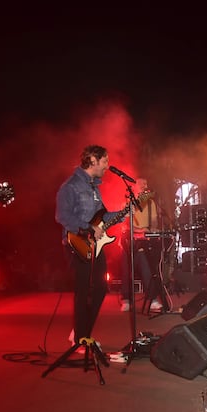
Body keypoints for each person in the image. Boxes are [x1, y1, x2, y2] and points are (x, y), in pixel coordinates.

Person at [56, 145, 125, 348]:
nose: (107, 165)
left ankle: (81, 332)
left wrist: (124, 212)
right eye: (105, 160)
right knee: (84, 290)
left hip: (95, 245)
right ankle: (81, 338)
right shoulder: (70, 186)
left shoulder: (94, 187)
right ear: (93, 160)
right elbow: (62, 216)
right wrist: (87, 227)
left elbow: (102, 217)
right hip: (76, 244)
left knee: (100, 288)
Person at [119, 177, 164, 313]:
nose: (145, 185)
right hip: (130, 240)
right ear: (134, 187)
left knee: (147, 269)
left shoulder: (151, 203)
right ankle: (126, 300)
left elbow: (154, 221)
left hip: (145, 240)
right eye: (141, 183)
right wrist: (139, 230)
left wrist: (153, 230)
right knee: (127, 270)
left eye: (146, 183)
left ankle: (153, 300)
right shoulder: (128, 203)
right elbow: (125, 223)